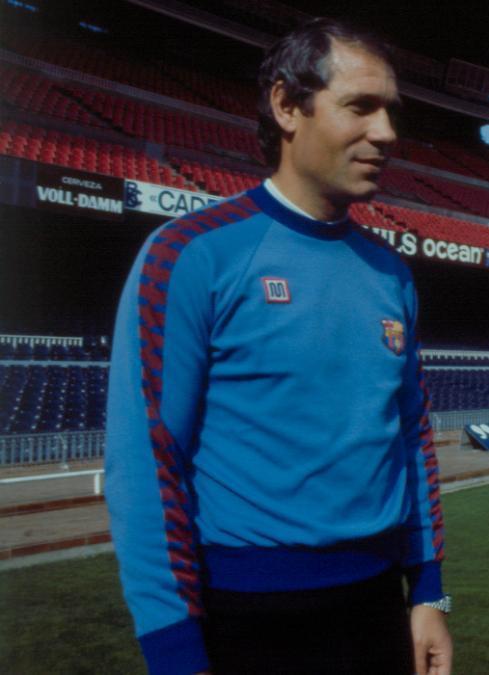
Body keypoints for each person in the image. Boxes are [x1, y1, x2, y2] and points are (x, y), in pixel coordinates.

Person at [104, 18, 451, 675]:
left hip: (378, 603)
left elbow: (411, 439)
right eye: (361, 107)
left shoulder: (393, 274)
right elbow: (146, 465)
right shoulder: (190, 255)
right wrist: (174, 649)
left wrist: (429, 589)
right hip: (249, 615)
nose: (386, 133)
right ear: (287, 105)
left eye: (392, 112)